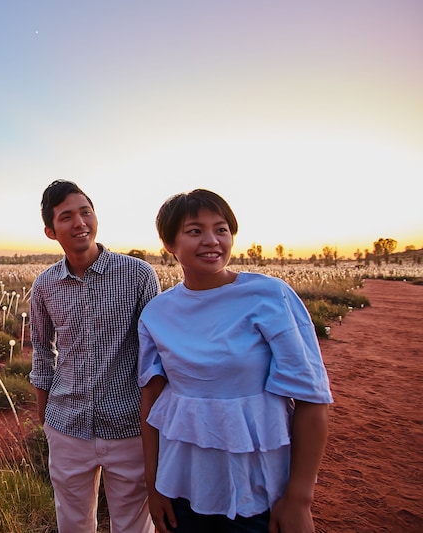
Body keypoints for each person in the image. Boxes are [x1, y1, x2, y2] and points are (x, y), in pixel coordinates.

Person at [138, 188, 333, 533]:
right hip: (182, 486)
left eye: (222, 229)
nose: (212, 240)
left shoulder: (271, 296)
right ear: (169, 244)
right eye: (195, 231)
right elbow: (152, 402)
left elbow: (311, 399)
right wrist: (154, 488)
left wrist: (299, 499)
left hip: (259, 490)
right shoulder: (156, 312)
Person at [29, 179, 160, 533]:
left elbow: (155, 355)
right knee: (72, 523)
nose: (80, 223)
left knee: (134, 525)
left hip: (129, 426)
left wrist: (154, 423)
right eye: (67, 216)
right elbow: (42, 353)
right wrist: (47, 418)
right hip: (67, 426)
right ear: (50, 230)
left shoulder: (137, 275)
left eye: (85, 212)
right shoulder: (44, 285)